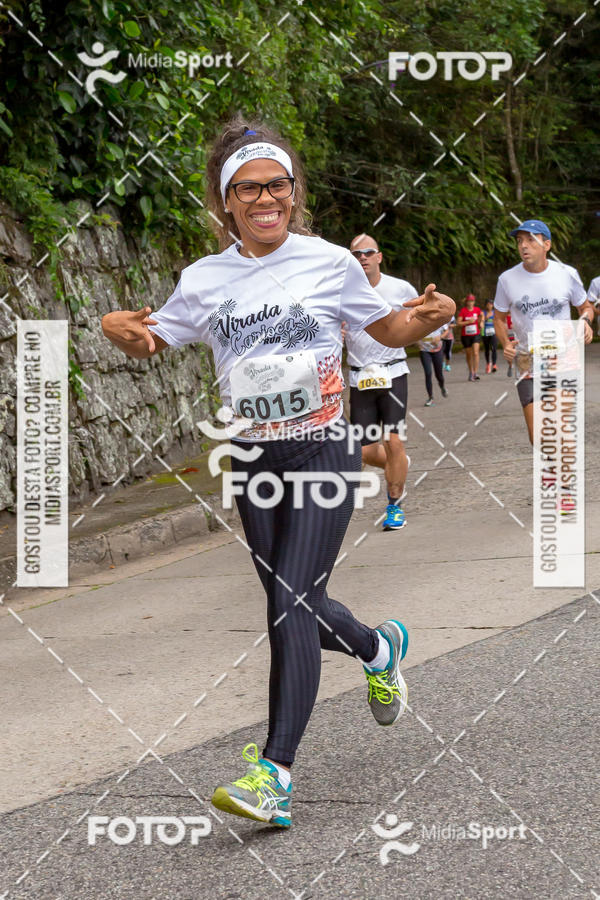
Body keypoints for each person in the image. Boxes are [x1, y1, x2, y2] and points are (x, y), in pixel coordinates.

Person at [101, 117, 455, 828]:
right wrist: (121, 330)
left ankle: (275, 774)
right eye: (247, 188)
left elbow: (381, 330)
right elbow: (153, 337)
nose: (265, 198)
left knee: (288, 605)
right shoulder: (203, 279)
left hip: (324, 445)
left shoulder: (329, 262)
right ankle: (378, 645)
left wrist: (419, 321)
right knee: (295, 602)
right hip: (254, 457)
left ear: (293, 192)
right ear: (224, 202)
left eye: (277, 185)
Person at [494, 218, 594, 444]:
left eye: (530, 240)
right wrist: (506, 343)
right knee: (538, 437)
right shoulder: (507, 279)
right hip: (527, 360)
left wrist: (586, 320)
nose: (523, 246)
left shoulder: (566, 273)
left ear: (546, 245)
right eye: (520, 241)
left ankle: (559, 478)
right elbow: (498, 319)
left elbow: (585, 307)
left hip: (564, 358)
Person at [344, 234, 416, 531]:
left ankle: (394, 505)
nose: (362, 258)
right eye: (356, 254)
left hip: (393, 371)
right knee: (361, 449)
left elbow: (421, 316)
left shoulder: (399, 288)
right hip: (360, 375)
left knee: (393, 439)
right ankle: (398, 463)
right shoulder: (340, 291)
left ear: (379, 257)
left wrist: (427, 333)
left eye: (367, 252)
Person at [418, 325, 448, 405]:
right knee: (428, 373)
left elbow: (447, 331)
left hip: (437, 350)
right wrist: (417, 340)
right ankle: (430, 397)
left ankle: (442, 386)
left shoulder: (439, 319)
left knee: (439, 374)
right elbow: (413, 333)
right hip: (424, 351)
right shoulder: (419, 321)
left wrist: (440, 337)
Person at [457, 293, 483, 381]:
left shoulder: (477, 310)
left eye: (472, 301)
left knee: (476, 353)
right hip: (466, 336)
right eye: (469, 301)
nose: (470, 303)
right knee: (469, 354)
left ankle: (475, 373)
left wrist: (481, 322)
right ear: (466, 302)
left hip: (476, 334)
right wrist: (468, 322)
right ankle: (471, 371)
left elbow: (481, 315)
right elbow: (458, 323)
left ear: (474, 301)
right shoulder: (463, 311)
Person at [481, 299, 498, 373]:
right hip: (485, 333)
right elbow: (481, 322)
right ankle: (488, 364)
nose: (489, 305)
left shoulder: (495, 313)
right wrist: (487, 317)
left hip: (494, 333)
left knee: (494, 348)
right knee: (487, 349)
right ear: (485, 305)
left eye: (491, 304)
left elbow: (498, 322)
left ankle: (494, 364)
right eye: (488, 304)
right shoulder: (483, 313)